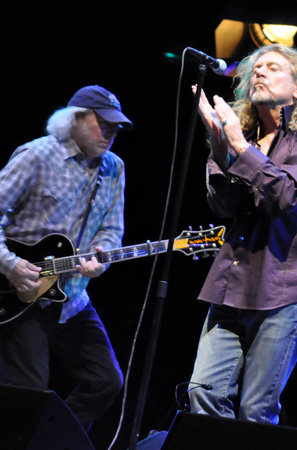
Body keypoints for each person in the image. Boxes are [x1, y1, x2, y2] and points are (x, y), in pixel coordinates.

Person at [187, 44, 297, 424]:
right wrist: (218, 143)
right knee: (202, 393)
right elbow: (223, 207)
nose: (259, 71)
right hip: (231, 288)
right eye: (255, 68)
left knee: (255, 409)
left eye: (273, 67)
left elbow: (287, 195)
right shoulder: (238, 136)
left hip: (285, 292)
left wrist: (239, 147)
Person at [0, 85, 132, 431]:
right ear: (74, 119)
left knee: (106, 381)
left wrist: (102, 256)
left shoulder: (114, 168)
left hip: (72, 297)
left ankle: (52, 440)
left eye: (116, 127)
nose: (111, 132)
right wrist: (10, 266)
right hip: (20, 294)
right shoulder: (36, 155)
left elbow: (111, 229)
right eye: (102, 123)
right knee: (30, 392)